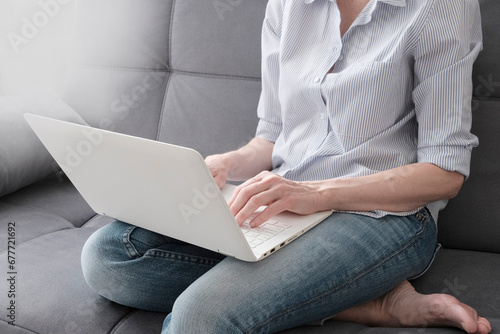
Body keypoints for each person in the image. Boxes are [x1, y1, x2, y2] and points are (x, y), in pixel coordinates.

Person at [81, 0, 492, 333]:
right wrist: (225, 163)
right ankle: (360, 302)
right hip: (286, 203)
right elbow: (273, 134)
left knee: (200, 317)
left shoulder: (439, 7)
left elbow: (445, 172)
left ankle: (333, 291)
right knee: (110, 257)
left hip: (383, 217)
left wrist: (315, 194)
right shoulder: (287, 5)